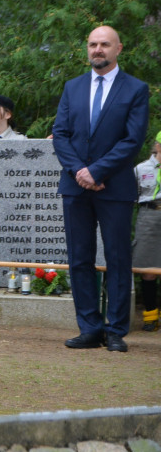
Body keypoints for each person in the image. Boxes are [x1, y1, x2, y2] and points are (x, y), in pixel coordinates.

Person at [53, 25, 149, 353]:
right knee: (80, 258)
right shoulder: (73, 87)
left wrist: (96, 170)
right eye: (93, 44)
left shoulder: (135, 89)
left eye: (104, 44)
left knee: (118, 258)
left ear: (118, 48)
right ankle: (90, 327)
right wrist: (80, 172)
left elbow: (132, 140)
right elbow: (61, 134)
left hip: (115, 188)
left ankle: (116, 330)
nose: (98, 50)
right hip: (75, 187)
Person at [133, 131, 161, 331]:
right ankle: (151, 316)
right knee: (147, 269)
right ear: (158, 145)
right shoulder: (141, 169)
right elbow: (131, 196)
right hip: (149, 215)